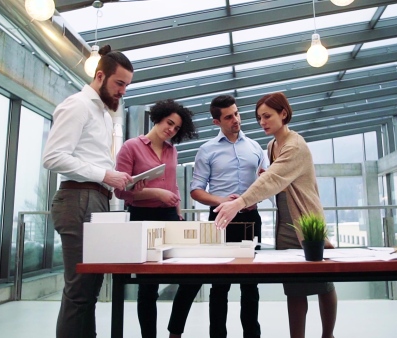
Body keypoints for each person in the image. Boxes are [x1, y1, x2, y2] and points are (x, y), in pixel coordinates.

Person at [213, 92, 338, 338]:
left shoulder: (295, 144)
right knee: (293, 287)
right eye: (259, 118)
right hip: (285, 224)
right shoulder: (272, 146)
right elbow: (275, 181)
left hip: (307, 221)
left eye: (267, 116)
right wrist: (265, 179)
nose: (262, 122)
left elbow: (275, 177)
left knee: (323, 283)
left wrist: (240, 201)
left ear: (283, 113)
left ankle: (327, 335)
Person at [42, 45, 139, 338]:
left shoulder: (103, 113)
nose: (123, 91)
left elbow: (89, 159)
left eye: (127, 85)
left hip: (94, 198)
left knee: (90, 290)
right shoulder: (78, 105)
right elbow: (53, 157)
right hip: (79, 199)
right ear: (100, 76)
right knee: (80, 290)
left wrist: (111, 179)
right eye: (119, 83)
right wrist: (105, 174)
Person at [165, 95, 266, 338]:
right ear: (216, 121)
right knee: (219, 285)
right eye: (229, 117)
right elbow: (196, 190)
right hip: (221, 221)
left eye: (237, 113)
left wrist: (262, 183)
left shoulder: (255, 147)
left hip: (251, 221)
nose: (236, 120)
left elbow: (266, 183)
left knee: (250, 286)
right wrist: (221, 200)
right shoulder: (207, 150)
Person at [114, 99, 198, 338]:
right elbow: (120, 191)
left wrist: (179, 212)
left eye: (176, 128)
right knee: (148, 287)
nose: (171, 129)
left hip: (170, 217)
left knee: (193, 276)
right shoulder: (131, 147)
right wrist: (155, 192)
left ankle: (175, 332)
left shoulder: (173, 151)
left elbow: (173, 186)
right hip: (142, 217)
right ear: (159, 117)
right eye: (169, 123)